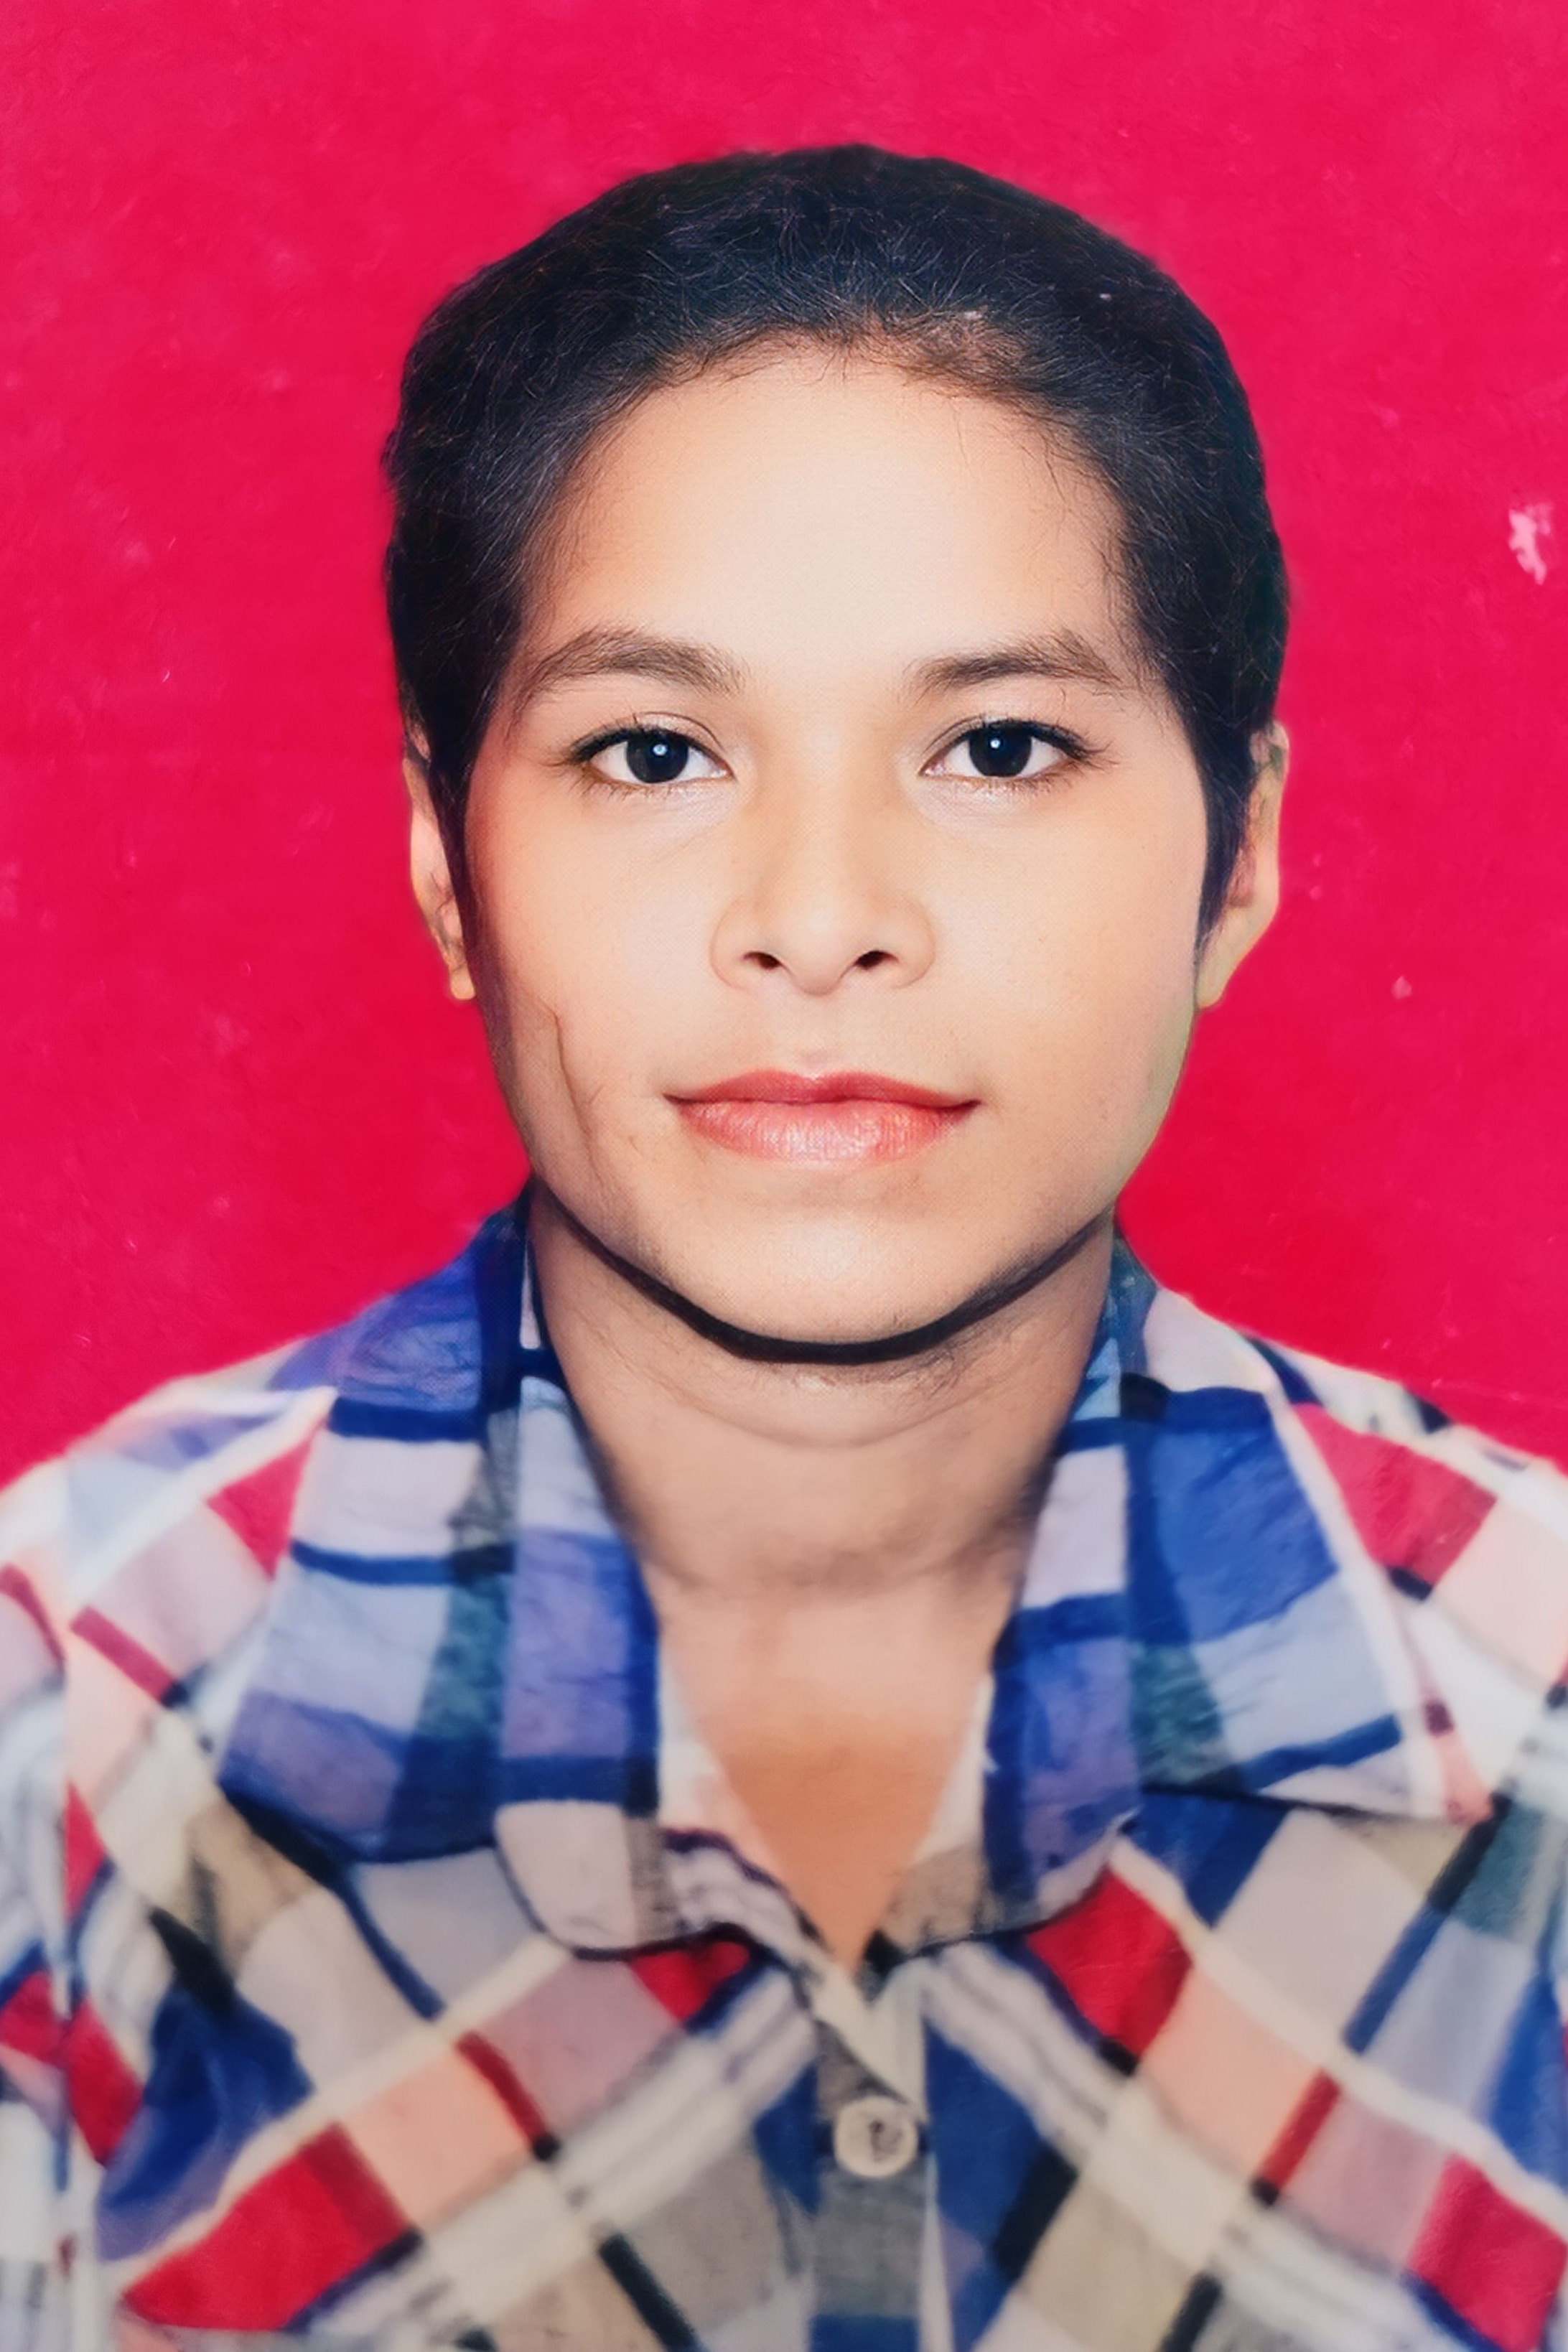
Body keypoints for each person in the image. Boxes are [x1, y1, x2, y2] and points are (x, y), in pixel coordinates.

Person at [3, 146, 1567, 2352]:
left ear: (1243, 859)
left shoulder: (1530, 1705)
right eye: (654, 750)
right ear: (450, 864)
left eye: (999, 746)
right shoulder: (65, 1718)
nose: (820, 917)